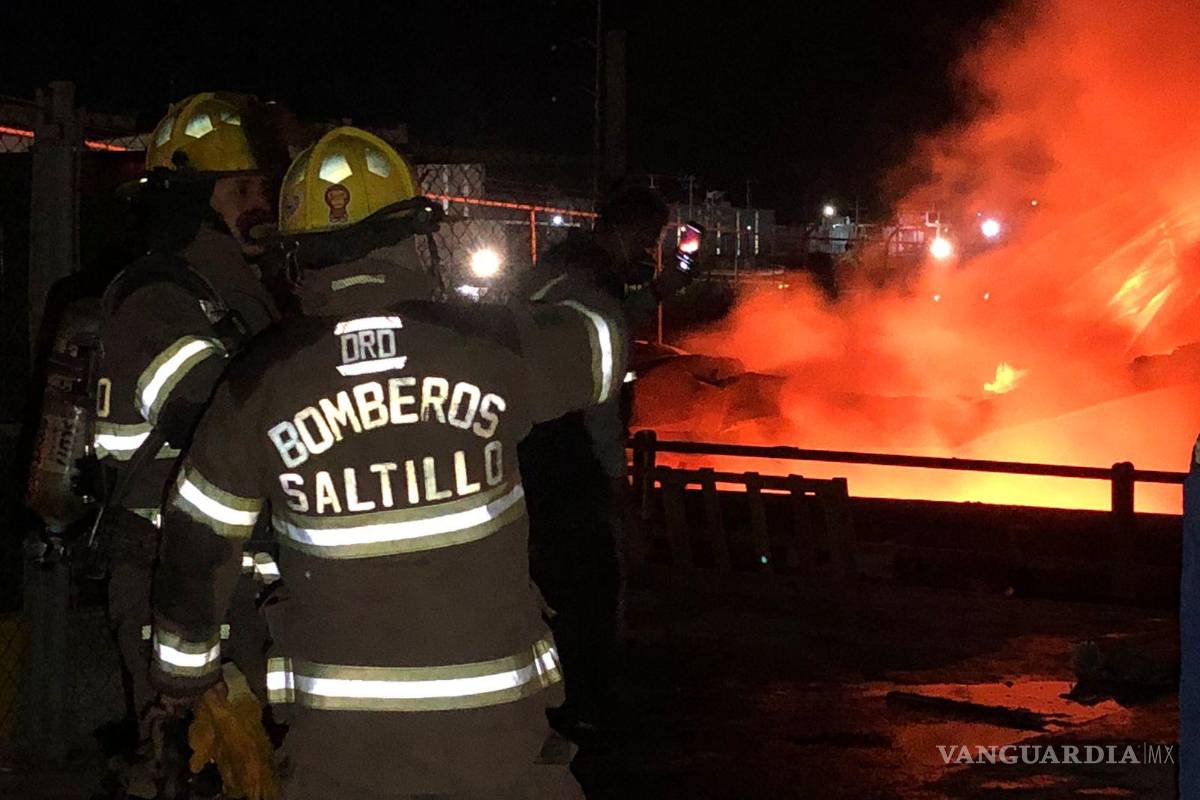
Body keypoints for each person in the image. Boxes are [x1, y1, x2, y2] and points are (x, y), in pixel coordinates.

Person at [149, 126, 626, 799]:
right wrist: (564, 278)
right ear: (415, 237)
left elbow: (196, 545)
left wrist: (183, 682)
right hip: (499, 755)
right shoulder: (490, 345)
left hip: (338, 760)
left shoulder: (258, 381)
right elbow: (605, 346)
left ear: (296, 260)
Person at [93, 91, 297, 795]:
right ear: (188, 197)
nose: (260, 205)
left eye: (263, 188)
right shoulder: (157, 298)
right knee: (190, 773)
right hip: (170, 583)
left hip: (237, 584)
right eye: (239, 189)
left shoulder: (241, 289)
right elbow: (216, 420)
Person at [518, 186, 685, 734]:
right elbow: (601, 411)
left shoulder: (559, 274)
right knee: (588, 583)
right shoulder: (593, 298)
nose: (651, 250)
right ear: (622, 231)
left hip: (529, 443)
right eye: (649, 238)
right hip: (569, 456)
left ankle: (553, 697)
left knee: (546, 576)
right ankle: (581, 705)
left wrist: (655, 293)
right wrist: (622, 500)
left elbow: (606, 315)